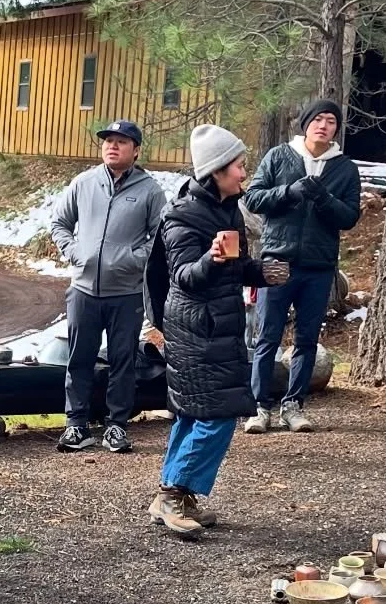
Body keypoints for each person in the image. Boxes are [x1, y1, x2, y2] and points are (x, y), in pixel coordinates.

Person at [145, 125, 289, 538]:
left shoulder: (227, 210)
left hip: (219, 325)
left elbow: (236, 267)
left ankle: (174, 496)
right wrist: (210, 258)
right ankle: (173, 493)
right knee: (218, 416)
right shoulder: (182, 217)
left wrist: (263, 272)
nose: (245, 173)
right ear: (216, 171)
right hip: (195, 328)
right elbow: (186, 277)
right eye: (239, 166)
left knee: (194, 414)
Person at [242, 98, 361, 433]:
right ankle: (260, 407)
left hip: (318, 266)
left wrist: (324, 198)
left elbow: (350, 217)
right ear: (306, 123)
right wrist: (289, 192)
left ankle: (293, 406)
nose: (324, 126)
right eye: (318, 119)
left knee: (307, 339)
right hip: (277, 259)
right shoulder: (279, 156)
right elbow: (253, 198)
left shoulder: (344, 168)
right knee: (267, 336)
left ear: (337, 129)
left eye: (331, 121)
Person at [50, 119, 168, 454]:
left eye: (121, 141)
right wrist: (75, 253)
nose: (112, 146)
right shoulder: (84, 182)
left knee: (123, 361)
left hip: (127, 293)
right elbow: (59, 222)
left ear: (136, 150)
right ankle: (76, 426)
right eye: (108, 141)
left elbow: (159, 239)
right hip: (83, 291)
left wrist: (131, 259)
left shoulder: (149, 190)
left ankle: (116, 426)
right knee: (79, 359)